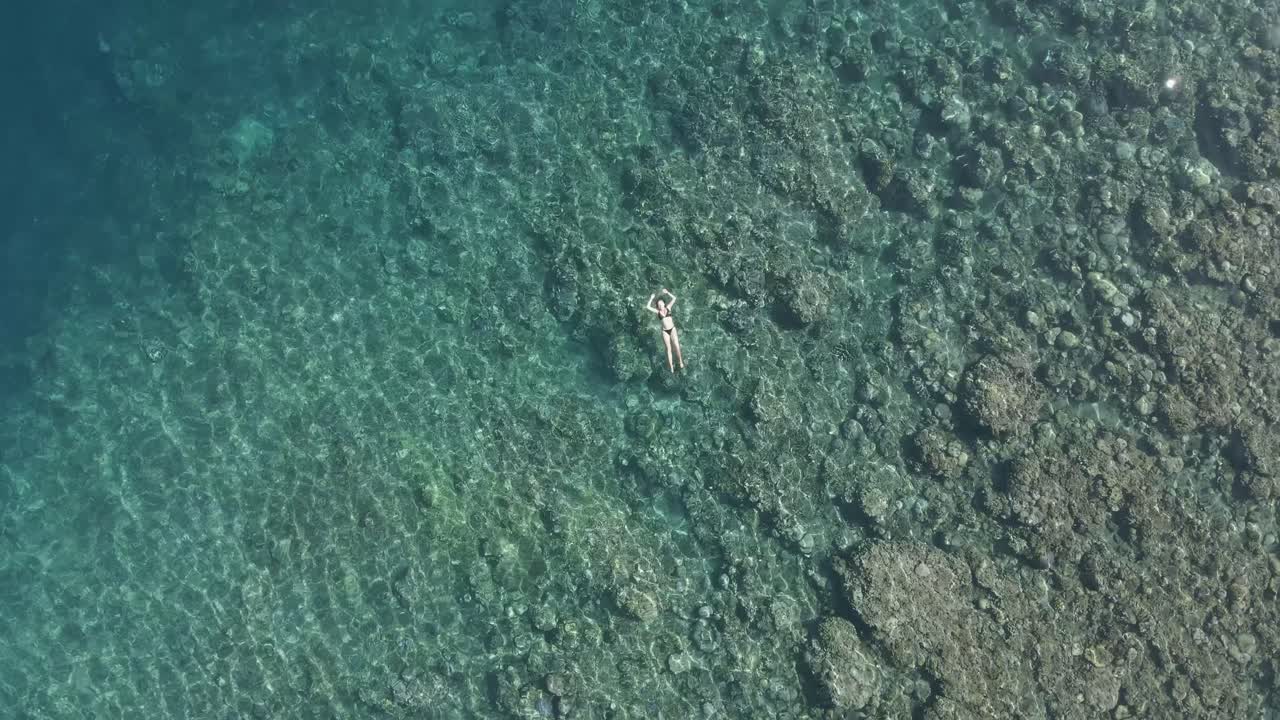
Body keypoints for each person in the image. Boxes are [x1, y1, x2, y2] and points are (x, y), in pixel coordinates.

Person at [646, 288, 685, 373]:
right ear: (657, 306)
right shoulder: (658, 312)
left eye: (661, 303)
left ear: (664, 303)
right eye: (658, 305)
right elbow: (648, 307)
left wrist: (668, 292)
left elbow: (674, 298)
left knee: (676, 346)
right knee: (668, 349)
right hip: (665, 331)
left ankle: (680, 361)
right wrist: (651, 298)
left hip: (672, 329)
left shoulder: (668, 308)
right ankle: (671, 367)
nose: (660, 305)